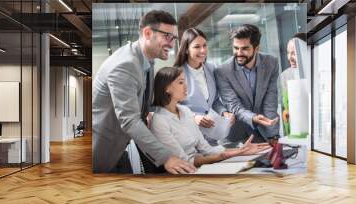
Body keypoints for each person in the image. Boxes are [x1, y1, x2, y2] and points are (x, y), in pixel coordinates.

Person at [92, 10, 196, 174]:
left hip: (120, 147)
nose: (171, 43)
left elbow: (141, 107)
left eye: (174, 38)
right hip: (102, 150)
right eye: (167, 36)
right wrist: (166, 157)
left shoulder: (147, 60)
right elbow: (130, 121)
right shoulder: (125, 65)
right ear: (148, 33)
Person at [150, 67, 270, 167]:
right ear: (166, 88)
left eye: (185, 81)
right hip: (181, 173)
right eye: (181, 82)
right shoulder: (159, 120)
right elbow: (185, 161)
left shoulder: (185, 111)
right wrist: (226, 155)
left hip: (199, 165)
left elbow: (207, 149)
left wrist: (240, 151)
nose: (186, 86)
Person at [215, 24, 280, 147]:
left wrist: (273, 134)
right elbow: (233, 105)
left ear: (256, 48)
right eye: (235, 48)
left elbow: (270, 101)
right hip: (234, 136)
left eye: (244, 48)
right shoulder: (222, 71)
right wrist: (254, 117)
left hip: (262, 133)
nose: (239, 53)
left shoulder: (271, 63)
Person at [173, 27, 235, 145]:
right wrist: (194, 117)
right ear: (186, 49)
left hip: (211, 136)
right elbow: (172, 107)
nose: (203, 50)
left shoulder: (211, 69)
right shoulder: (176, 73)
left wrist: (224, 112)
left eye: (205, 45)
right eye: (197, 46)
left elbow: (215, 100)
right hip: (188, 136)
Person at [280, 33, 307, 136]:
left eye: (294, 53)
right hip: (293, 132)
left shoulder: (315, 72)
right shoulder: (285, 76)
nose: (289, 58)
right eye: (288, 53)